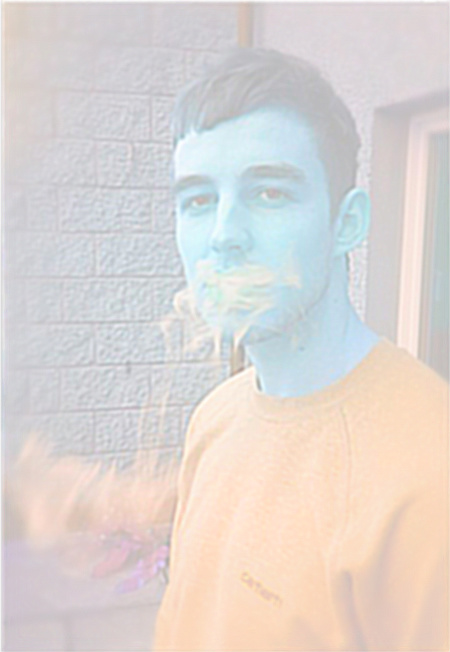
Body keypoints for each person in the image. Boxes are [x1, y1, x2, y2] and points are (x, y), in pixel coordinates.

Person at [153, 48, 449, 651]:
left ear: (347, 222)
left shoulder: (431, 465)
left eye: (269, 193)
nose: (223, 236)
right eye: (198, 200)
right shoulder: (214, 416)